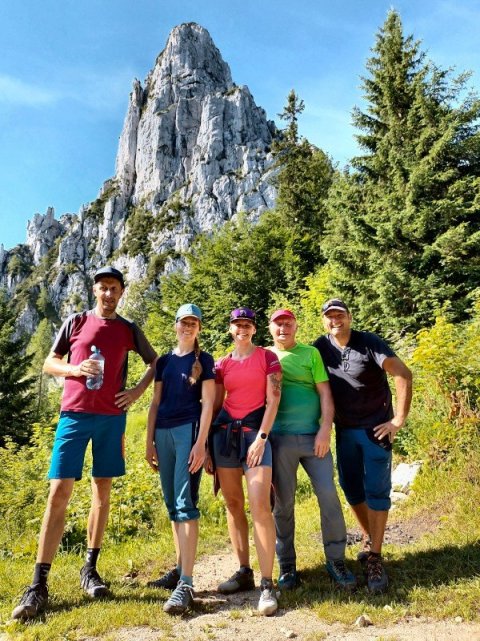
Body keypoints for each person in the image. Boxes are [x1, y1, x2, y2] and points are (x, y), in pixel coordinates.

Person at [12, 266, 158, 621]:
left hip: (111, 418)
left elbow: (156, 362)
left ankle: (90, 569)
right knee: (59, 490)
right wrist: (75, 370)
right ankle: (38, 584)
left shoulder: (128, 329)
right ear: (95, 290)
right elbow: (49, 362)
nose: (108, 293)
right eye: (103, 287)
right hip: (73, 416)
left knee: (102, 490)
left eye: (114, 288)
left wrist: (136, 392)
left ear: (121, 293)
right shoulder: (75, 322)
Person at [313, 299, 412, 594]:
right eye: (330, 316)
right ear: (324, 321)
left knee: (377, 492)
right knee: (351, 488)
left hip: (375, 431)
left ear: (350, 317)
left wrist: (397, 420)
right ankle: (370, 537)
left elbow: (403, 373)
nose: (335, 320)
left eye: (340, 315)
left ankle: (375, 558)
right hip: (345, 431)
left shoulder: (369, 342)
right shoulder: (320, 347)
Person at [267, 309, 356, 591]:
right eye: (278, 324)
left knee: (328, 496)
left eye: (288, 323)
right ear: (270, 328)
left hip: (313, 439)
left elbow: (325, 394)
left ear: (296, 326)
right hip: (279, 440)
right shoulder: (264, 356)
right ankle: (287, 565)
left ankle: (336, 560)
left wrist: (324, 430)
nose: (283, 328)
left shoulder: (310, 354)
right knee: (283, 504)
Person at [207, 308, 282, 616]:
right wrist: (207, 446)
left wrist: (262, 438)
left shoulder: (267, 358)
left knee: (260, 505)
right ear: (230, 329)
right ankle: (243, 571)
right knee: (233, 504)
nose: (242, 328)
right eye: (237, 324)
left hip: (256, 434)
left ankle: (267, 584)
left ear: (254, 329)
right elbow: (214, 404)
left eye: (247, 324)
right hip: (224, 436)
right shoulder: (221, 364)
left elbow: (274, 399)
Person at [145, 304, 215, 615]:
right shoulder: (164, 362)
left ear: (198, 328)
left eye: (193, 323)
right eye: (183, 322)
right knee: (172, 504)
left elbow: (208, 404)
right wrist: (148, 441)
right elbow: (155, 402)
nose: (187, 327)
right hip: (162, 433)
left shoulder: (205, 360)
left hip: (189, 431)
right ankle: (178, 569)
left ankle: (186, 583)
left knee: (185, 503)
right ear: (175, 325)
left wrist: (201, 444)